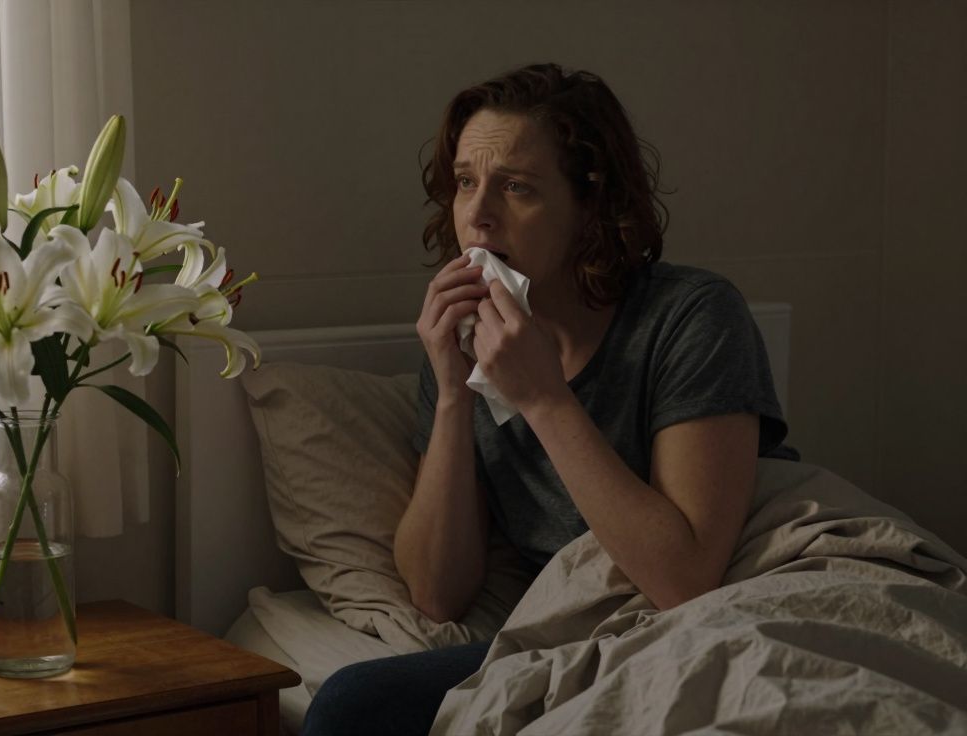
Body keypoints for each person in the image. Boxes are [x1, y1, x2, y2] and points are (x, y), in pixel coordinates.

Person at [301, 62, 796, 736]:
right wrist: (451, 391)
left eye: (517, 188)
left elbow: (685, 581)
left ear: (591, 206)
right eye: (466, 184)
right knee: (355, 704)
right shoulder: (469, 340)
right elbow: (436, 593)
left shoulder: (692, 317)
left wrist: (544, 398)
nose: (477, 215)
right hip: (580, 632)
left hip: (728, 608)